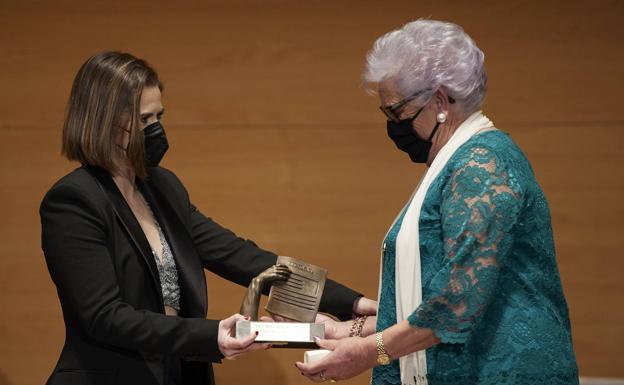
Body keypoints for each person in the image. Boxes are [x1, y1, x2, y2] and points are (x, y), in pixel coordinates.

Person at [40, 51, 376, 385]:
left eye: (160, 116)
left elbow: (242, 257)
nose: (157, 129)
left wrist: (352, 303)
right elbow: (103, 316)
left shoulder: (162, 187)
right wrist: (212, 334)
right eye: (145, 120)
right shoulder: (74, 201)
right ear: (104, 121)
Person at [296, 19, 579, 385]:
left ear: (440, 102)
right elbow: (427, 296)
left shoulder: (483, 164)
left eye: (396, 113)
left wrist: (367, 352)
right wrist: (349, 331)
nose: (392, 126)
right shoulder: (457, 162)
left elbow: (456, 302)